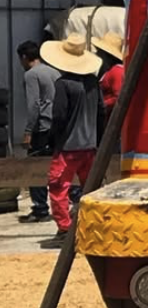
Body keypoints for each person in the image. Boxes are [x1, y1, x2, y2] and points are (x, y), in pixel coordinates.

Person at [38, 34, 102, 242]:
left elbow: (59, 116)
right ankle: (93, 226)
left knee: (58, 187)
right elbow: (101, 111)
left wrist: (51, 139)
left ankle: (65, 229)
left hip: (68, 147)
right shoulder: (93, 82)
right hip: (90, 146)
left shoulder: (63, 83)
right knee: (91, 188)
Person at [17, 39, 56, 224]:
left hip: (41, 128)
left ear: (25, 57)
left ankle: (40, 209)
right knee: (56, 167)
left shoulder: (31, 75)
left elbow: (34, 105)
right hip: (56, 126)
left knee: (35, 168)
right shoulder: (53, 71)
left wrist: (28, 131)